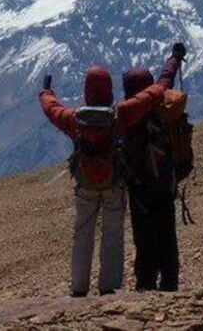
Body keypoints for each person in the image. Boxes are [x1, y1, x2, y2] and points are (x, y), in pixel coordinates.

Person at [38, 42, 185, 297]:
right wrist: (173, 60)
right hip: (116, 184)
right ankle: (110, 287)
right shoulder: (123, 113)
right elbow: (160, 87)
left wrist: (45, 91)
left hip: (85, 184)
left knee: (83, 231)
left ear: (86, 91)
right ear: (109, 91)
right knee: (113, 233)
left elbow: (52, 109)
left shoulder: (75, 119)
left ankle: (79, 286)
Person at [122, 65, 182, 291]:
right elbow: (166, 79)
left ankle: (146, 282)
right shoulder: (159, 103)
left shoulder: (125, 113)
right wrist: (174, 59)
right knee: (167, 232)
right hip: (165, 182)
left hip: (139, 188)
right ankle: (170, 281)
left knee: (144, 235)